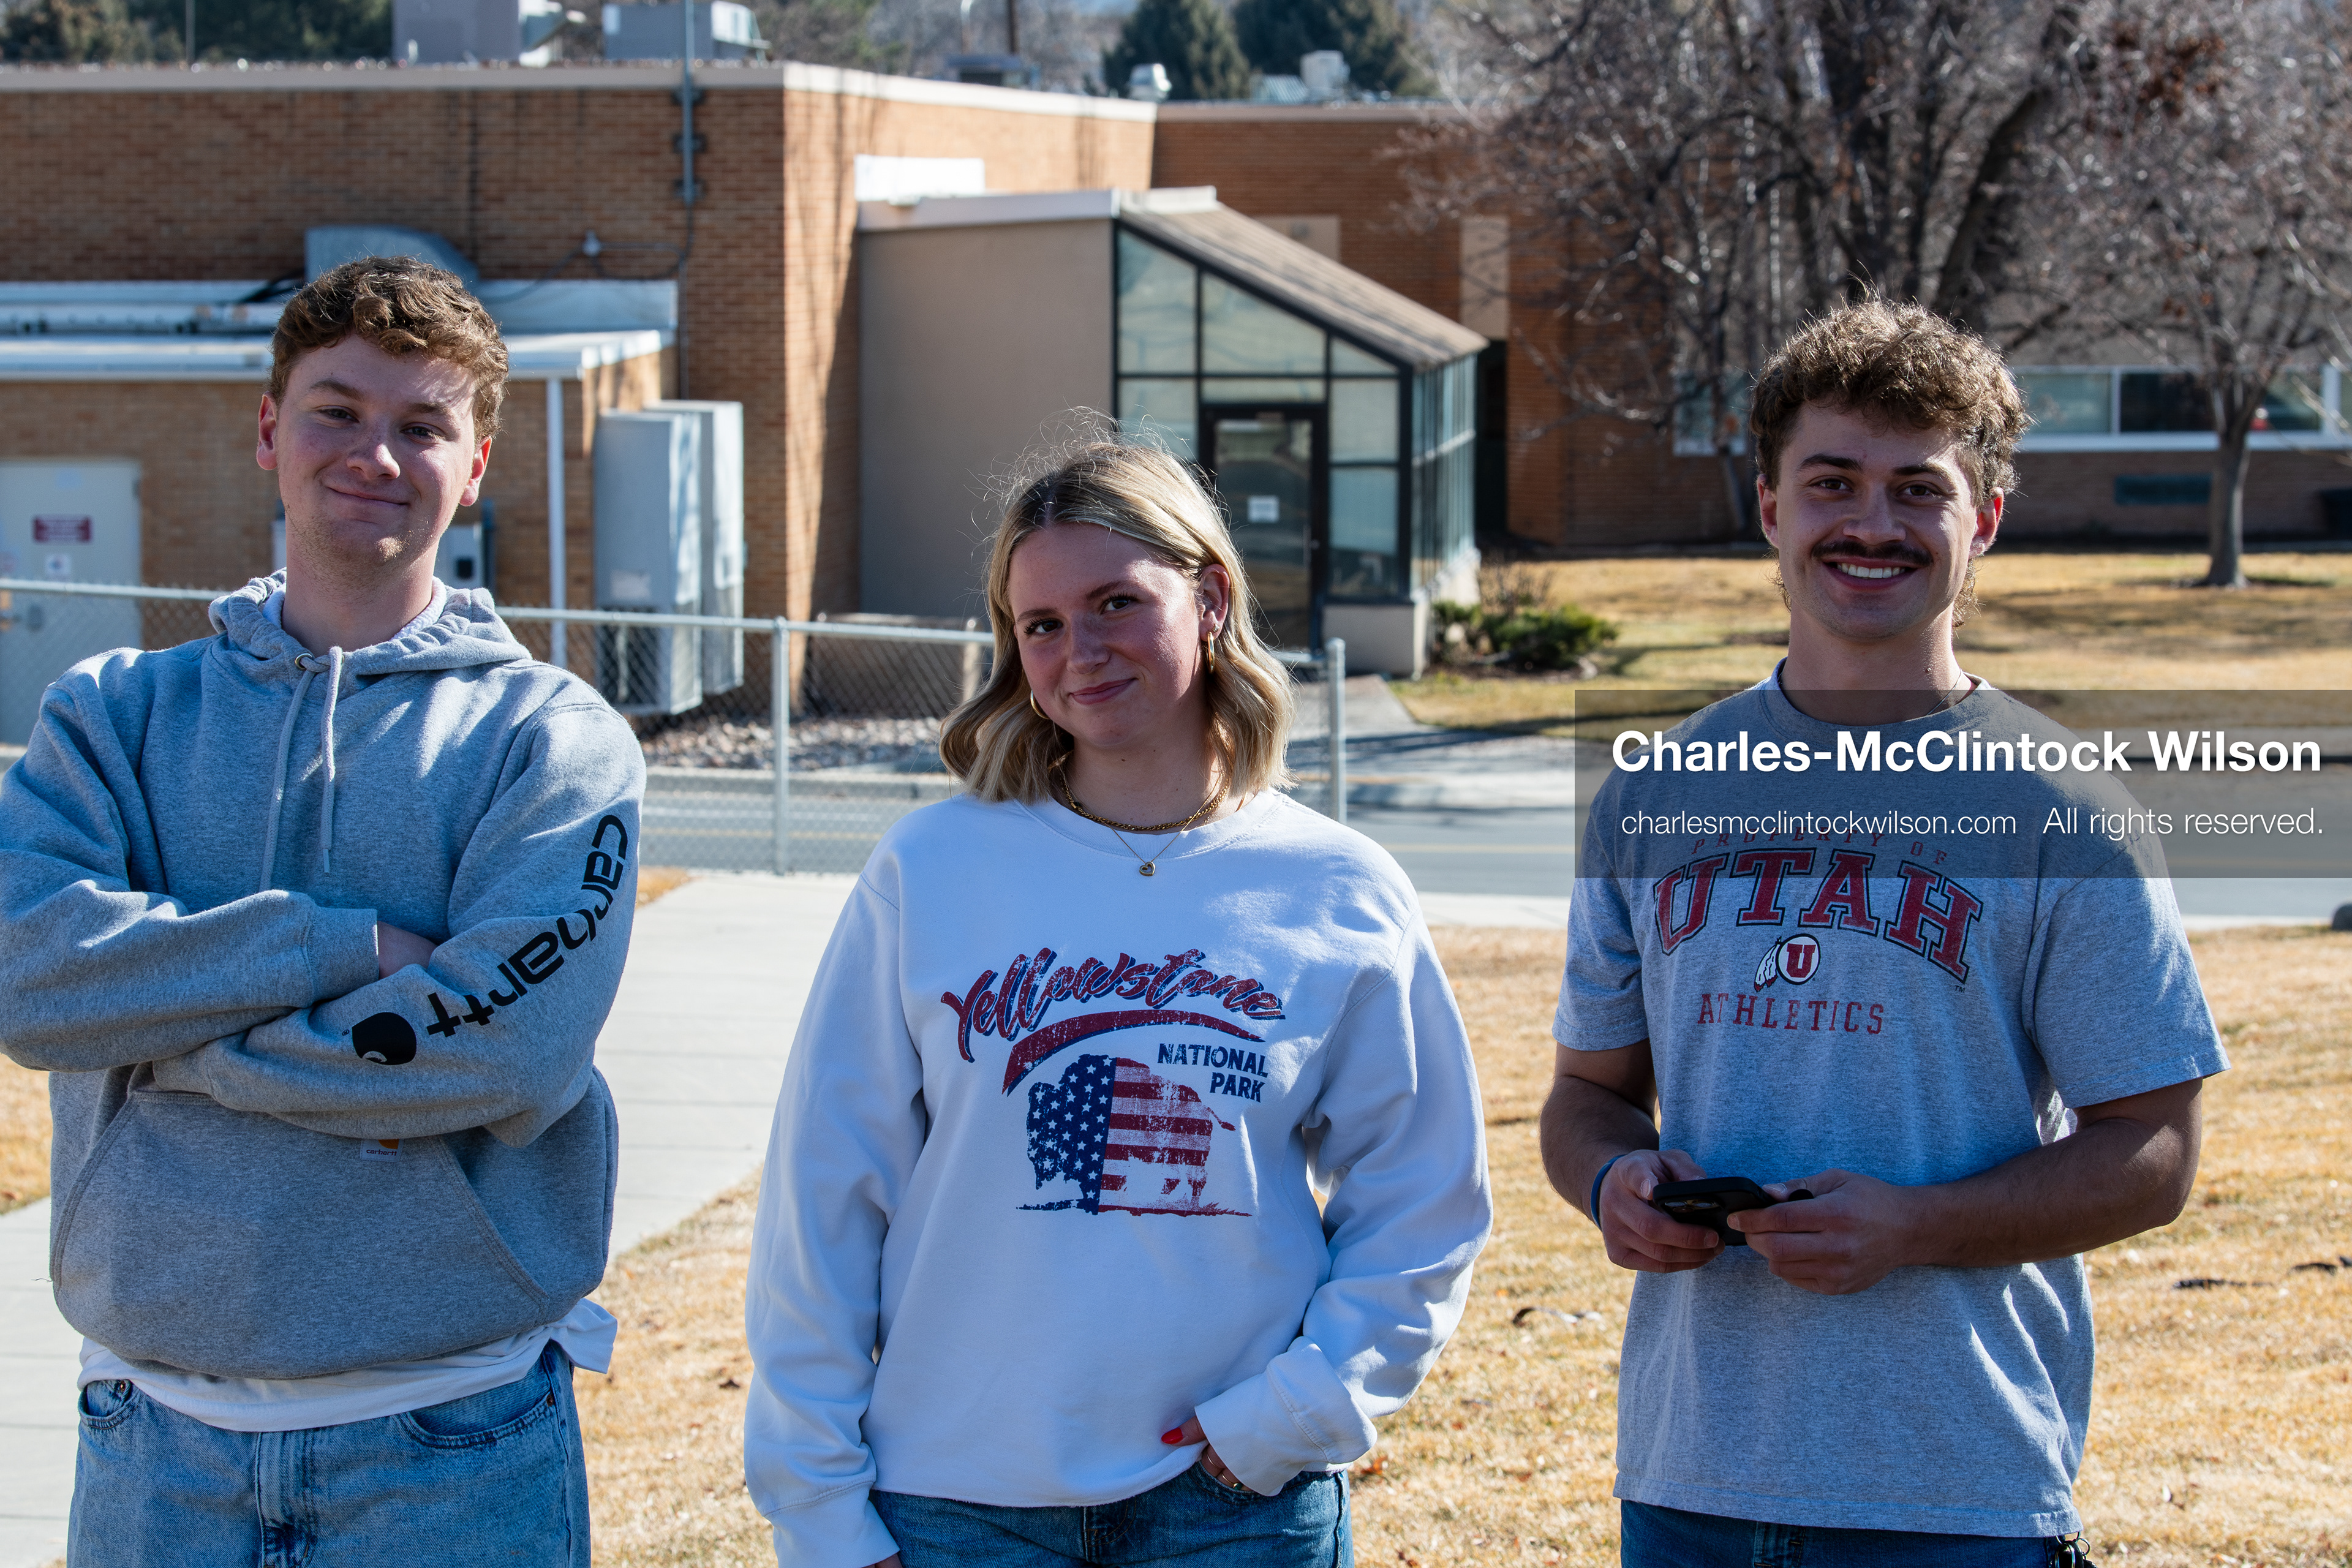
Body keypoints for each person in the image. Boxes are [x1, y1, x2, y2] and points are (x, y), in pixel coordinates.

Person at [1549, 300, 2227, 1566]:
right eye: (1833, 482)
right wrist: (1613, 1183)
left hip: (1950, 1492)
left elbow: (2156, 1149)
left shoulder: (2061, 808)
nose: (1871, 521)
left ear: (1986, 521)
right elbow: (1585, 1097)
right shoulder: (1654, 791)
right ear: (1770, 509)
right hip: (1689, 1481)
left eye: (1920, 487)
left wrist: (1917, 1225)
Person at [744, 439, 1492, 1568]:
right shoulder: (934, 870)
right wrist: (818, 1507)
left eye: (1114, 603)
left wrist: (1293, 1415)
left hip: (1235, 1510)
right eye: (1040, 623)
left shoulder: (1337, 887)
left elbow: (1424, 1199)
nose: (1078, 650)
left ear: (1210, 597)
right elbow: (824, 1196)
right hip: (955, 1503)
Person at [0, 256, 644, 1566]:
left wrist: (166, 1039)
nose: (375, 453)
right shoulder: (114, 717)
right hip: (152, 1448)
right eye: (337, 410)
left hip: (451, 1441)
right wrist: (338, 945)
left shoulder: (550, 742)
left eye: (423, 424)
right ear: (267, 432)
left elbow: (503, 1047)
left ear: (474, 469)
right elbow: (27, 978)